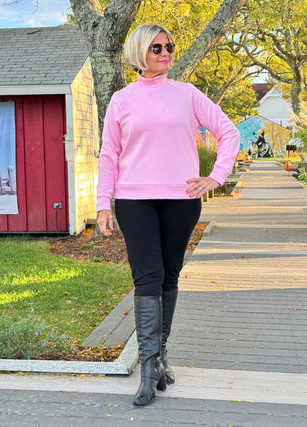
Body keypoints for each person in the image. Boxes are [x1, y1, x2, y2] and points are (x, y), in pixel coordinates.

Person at [97, 24, 240, 406]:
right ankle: (148, 368)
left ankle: (160, 358)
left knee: (170, 275)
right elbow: (109, 153)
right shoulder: (121, 100)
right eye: (157, 47)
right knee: (149, 276)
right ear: (139, 53)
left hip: (181, 200)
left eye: (169, 46)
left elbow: (229, 132)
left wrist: (216, 176)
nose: (165, 52)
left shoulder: (187, 94)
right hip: (134, 201)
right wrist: (102, 203)